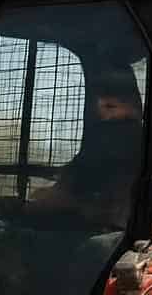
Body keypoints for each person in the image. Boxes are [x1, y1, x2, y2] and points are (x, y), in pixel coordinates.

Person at [24, 69, 144, 230]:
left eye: (111, 106)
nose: (102, 113)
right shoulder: (104, 137)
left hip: (111, 228)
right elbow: (72, 180)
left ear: (132, 104)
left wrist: (49, 202)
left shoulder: (126, 139)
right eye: (98, 103)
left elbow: (108, 204)